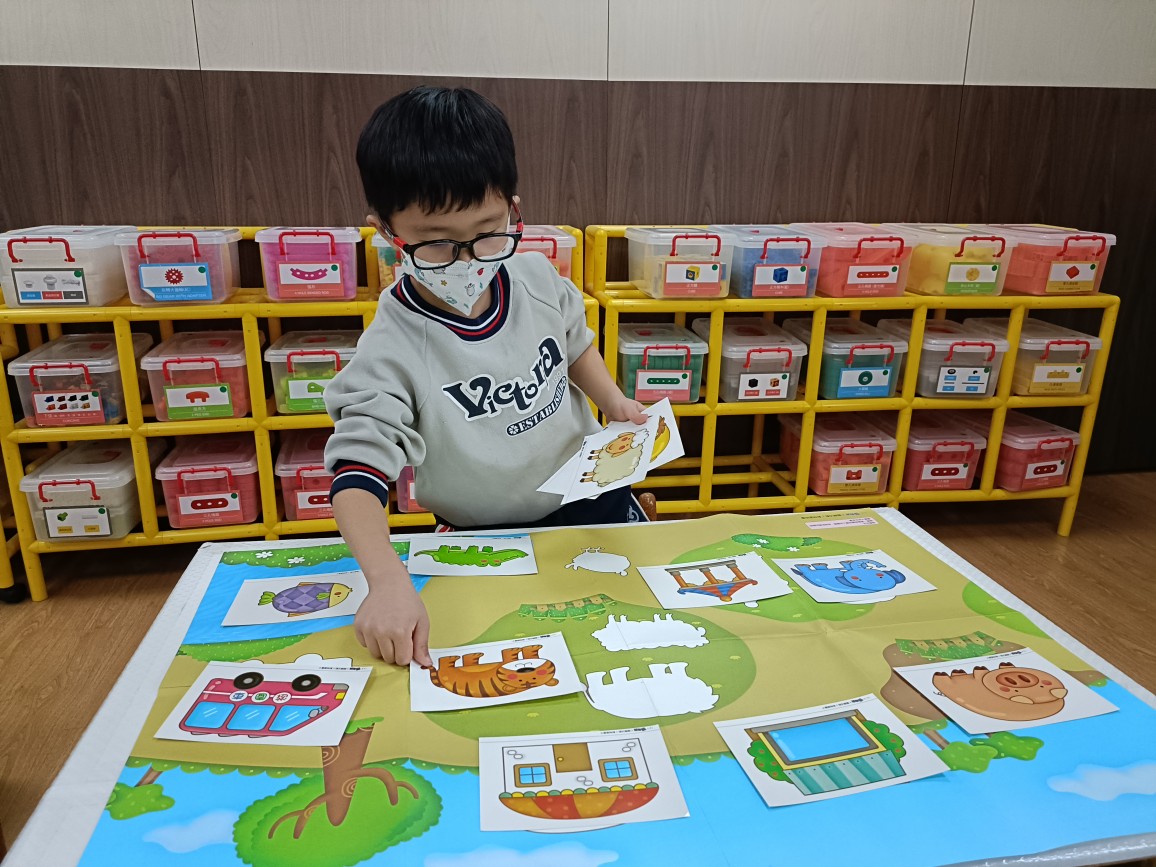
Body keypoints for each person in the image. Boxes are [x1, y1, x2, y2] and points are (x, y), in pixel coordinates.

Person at [324, 86, 648, 666]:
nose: (469, 260)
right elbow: (356, 469)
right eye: (436, 244)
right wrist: (387, 581)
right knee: (511, 651)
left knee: (620, 642)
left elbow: (573, 343)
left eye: (489, 232)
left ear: (512, 209)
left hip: (588, 496)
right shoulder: (393, 346)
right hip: (482, 535)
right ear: (387, 233)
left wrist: (614, 401)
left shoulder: (536, 276)